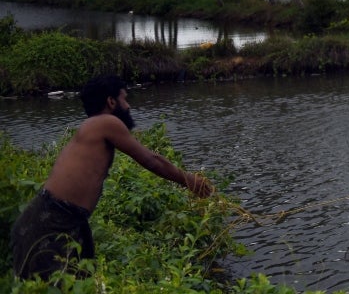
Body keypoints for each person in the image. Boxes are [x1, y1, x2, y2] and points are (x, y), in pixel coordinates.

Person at [10, 75, 214, 280]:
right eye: (125, 99)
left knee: (81, 280)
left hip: (66, 220)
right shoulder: (106, 122)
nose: (129, 105)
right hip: (49, 222)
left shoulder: (94, 126)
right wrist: (189, 180)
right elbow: (152, 160)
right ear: (111, 101)